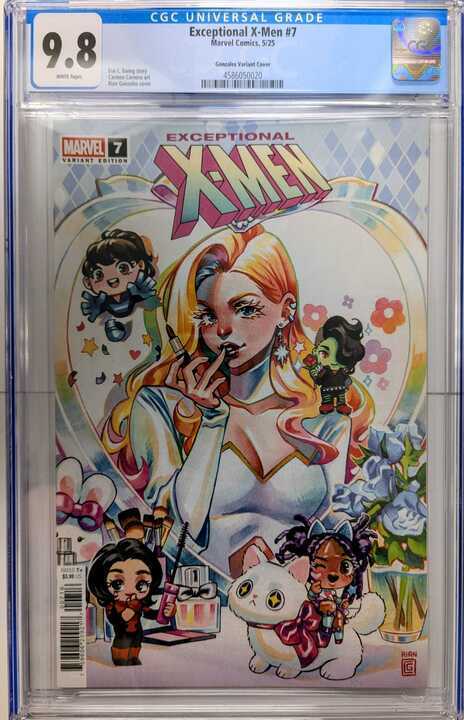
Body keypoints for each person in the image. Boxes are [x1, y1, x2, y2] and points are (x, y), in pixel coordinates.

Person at [104, 225, 373, 575]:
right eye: (208, 315)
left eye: (245, 309)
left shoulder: (325, 419)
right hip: (200, 596)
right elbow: (181, 527)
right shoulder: (160, 406)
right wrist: (212, 421)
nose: (223, 330)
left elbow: (339, 539)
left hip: (300, 597)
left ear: (286, 310)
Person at [87, 538, 174, 665]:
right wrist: (122, 617)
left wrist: (165, 612)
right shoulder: (113, 604)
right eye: (117, 584)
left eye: (141, 584)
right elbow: (112, 618)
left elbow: (149, 613)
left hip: (137, 635)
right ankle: (121, 660)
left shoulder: (138, 603)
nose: (129, 591)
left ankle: (133, 658)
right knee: (122, 655)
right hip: (122, 637)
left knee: (135, 651)